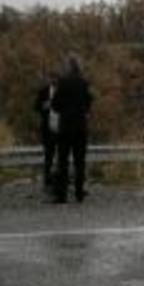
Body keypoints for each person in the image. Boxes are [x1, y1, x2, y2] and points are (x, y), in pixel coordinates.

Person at [51, 54, 92, 204]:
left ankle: (62, 195)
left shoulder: (63, 82)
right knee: (80, 161)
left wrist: (64, 109)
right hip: (81, 126)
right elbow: (88, 103)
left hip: (66, 127)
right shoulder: (84, 82)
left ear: (68, 66)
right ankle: (79, 193)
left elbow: (55, 105)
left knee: (63, 160)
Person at [33, 71, 59, 190]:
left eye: (55, 79)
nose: (53, 81)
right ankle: (47, 180)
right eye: (51, 79)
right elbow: (36, 107)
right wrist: (45, 105)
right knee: (48, 154)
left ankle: (60, 179)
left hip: (61, 127)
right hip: (47, 127)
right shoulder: (43, 91)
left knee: (61, 155)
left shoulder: (63, 92)